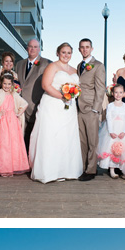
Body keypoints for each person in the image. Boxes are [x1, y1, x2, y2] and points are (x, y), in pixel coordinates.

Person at [28, 42, 83, 183]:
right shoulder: (52, 66)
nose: (66, 55)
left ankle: (66, 170)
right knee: (52, 136)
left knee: (66, 137)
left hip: (69, 108)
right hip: (52, 105)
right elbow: (45, 85)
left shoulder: (75, 70)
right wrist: (63, 96)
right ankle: (49, 171)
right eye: (63, 52)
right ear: (58, 53)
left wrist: (72, 96)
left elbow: (77, 87)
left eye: (69, 52)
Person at [0, 72, 29, 177]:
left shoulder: (14, 94)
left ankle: (13, 167)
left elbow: (25, 103)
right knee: (4, 144)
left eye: (9, 84)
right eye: (5, 84)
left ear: (12, 85)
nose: (7, 86)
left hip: (13, 122)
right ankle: (4, 168)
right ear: (1, 83)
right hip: (3, 122)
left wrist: (19, 113)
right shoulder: (0, 93)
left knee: (13, 144)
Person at [75, 38, 106, 181]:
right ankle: (84, 167)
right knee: (82, 141)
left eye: (87, 47)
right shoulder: (79, 65)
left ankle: (92, 170)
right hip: (78, 107)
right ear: (79, 49)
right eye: (82, 47)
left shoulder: (98, 66)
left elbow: (100, 89)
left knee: (92, 141)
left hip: (90, 108)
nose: (85, 49)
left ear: (92, 49)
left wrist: (96, 109)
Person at [13, 39, 50, 146]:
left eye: (35, 47)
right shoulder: (19, 64)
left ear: (39, 49)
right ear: (26, 48)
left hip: (36, 106)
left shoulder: (46, 63)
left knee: (35, 139)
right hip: (20, 107)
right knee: (20, 137)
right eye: (30, 46)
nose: (32, 49)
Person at [97, 85, 125, 178]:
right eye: (116, 92)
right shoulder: (110, 106)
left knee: (123, 149)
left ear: (123, 94)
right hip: (112, 130)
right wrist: (111, 131)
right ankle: (112, 170)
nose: (118, 94)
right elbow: (108, 118)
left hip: (123, 130)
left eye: (121, 92)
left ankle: (123, 169)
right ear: (112, 94)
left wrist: (124, 132)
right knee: (111, 148)